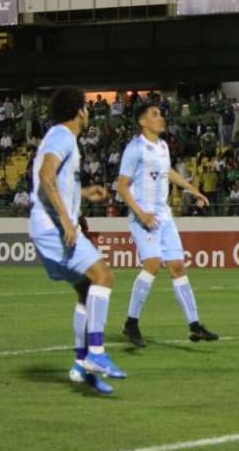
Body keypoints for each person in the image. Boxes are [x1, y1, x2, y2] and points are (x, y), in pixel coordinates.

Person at [29, 86, 123, 396]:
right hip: (54, 228)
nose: (89, 111)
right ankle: (95, 354)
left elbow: (53, 181)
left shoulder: (61, 138)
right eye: (86, 106)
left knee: (86, 288)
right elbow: (46, 174)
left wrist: (83, 193)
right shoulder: (62, 136)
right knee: (103, 276)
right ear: (79, 111)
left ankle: (81, 367)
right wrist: (68, 221)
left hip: (47, 227)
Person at [118, 103, 218, 348]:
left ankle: (194, 326)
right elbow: (121, 186)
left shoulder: (162, 146)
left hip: (163, 214)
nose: (160, 118)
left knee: (177, 267)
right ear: (142, 122)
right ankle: (131, 323)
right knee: (152, 263)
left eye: (160, 114)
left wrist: (194, 190)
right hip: (144, 215)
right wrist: (140, 213)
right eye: (155, 115)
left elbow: (168, 172)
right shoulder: (134, 149)